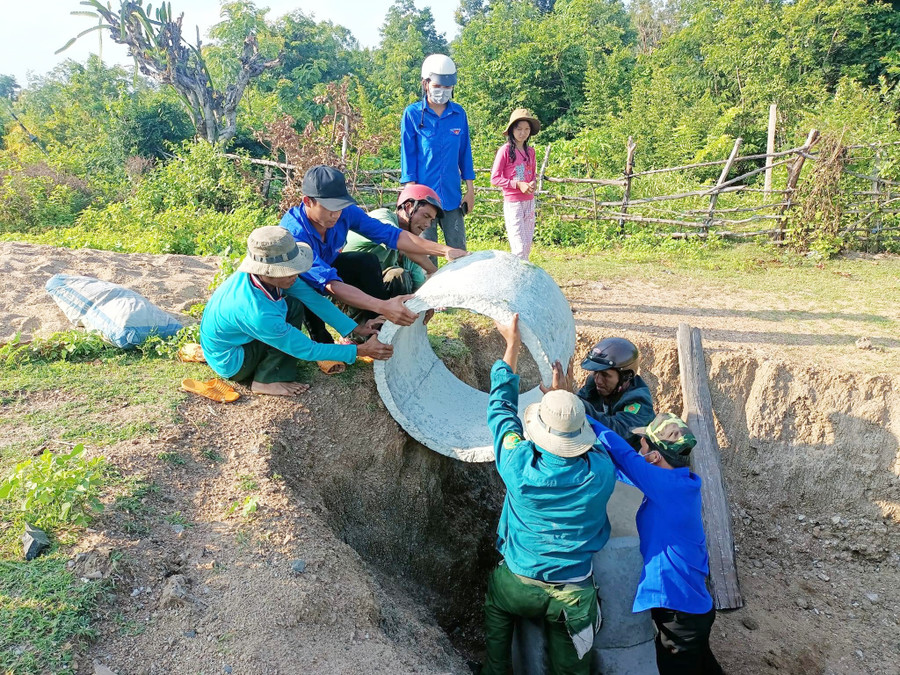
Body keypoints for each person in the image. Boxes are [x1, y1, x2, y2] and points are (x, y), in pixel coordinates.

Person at [483, 313, 616, 675]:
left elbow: (501, 409)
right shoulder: (602, 471)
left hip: (516, 585)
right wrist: (564, 400)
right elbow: (593, 437)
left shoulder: (518, 463)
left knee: (496, 616)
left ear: (539, 430)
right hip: (574, 597)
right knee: (573, 669)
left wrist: (511, 344)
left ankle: (495, 669)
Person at [587, 412, 724, 675]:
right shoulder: (680, 482)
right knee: (703, 665)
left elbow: (624, 455)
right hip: (692, 608)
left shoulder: (665, 486)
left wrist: (582, 415)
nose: (639, 448)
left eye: (644, 445)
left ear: (655, 456)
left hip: (679, 615)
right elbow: (627, 472)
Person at [279, 165, 467, 343]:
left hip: (331, 268)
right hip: (308, 280)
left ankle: (378, 329)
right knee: (303, 283)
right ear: (308, 202)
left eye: (340, 206)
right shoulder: (294, 234)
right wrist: (382, 305)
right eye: (330, 208)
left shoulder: (345, 213)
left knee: (365, 262)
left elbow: (391, 235)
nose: (336, 214)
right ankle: (322, 340)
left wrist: (445, 251)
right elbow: (329, 283)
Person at [199, 226, 392, 396]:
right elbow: (307, 349)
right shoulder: (258, 313)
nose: (296, 274)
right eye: (289, 270)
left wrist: (355, 329)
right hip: (232, 359)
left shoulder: (264, 277)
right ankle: (266, 380)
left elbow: (314, 300)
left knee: (294, 303)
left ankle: (272, 367)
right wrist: (359, 350)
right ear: (268, 271)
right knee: (286, 330)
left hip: (233, 340)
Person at [400, 53, 475, 254]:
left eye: (447, 87)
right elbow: (409, 156)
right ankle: (427, 284)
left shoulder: (459, 114)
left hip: (452, 196)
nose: (442, 91)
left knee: (458, 250)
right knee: (425, 250)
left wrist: (470, 190)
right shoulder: (413, 114)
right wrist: (411, 195)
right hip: (423, 197)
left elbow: (464, 153)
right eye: (437, 86)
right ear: (425, 83)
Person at [544, 336, 655, 449]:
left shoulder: (639, 401)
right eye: (596, 372)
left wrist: (570, 399)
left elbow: (615, 432)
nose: (598, 380)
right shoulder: (595, 382)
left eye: (606, 375)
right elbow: (578, 412)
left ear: (626, 376)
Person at [343, 183, 444, 296]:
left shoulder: (410, 247)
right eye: (426, 216)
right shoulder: (382, 216)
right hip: (345, 290)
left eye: (431, 220)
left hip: (372, 293)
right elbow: (396, 238)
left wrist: (426, 304)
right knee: (397, 275)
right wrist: (436, 265)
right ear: (408, 207)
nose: (427, 225)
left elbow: (418, 282)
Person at [490, 108, 539, 260]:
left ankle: (523, 278)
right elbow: (495, 178)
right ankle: (517, 279)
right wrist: (518, 185)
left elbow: (532, 174)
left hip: (529, 201)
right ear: (512, 130)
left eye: (526, 129)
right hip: (514, 202)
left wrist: (532, 184)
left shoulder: (530, 151)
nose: (523, 133)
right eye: (519, 129)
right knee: (518, 246)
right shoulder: (505, 150)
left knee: (526, 246)